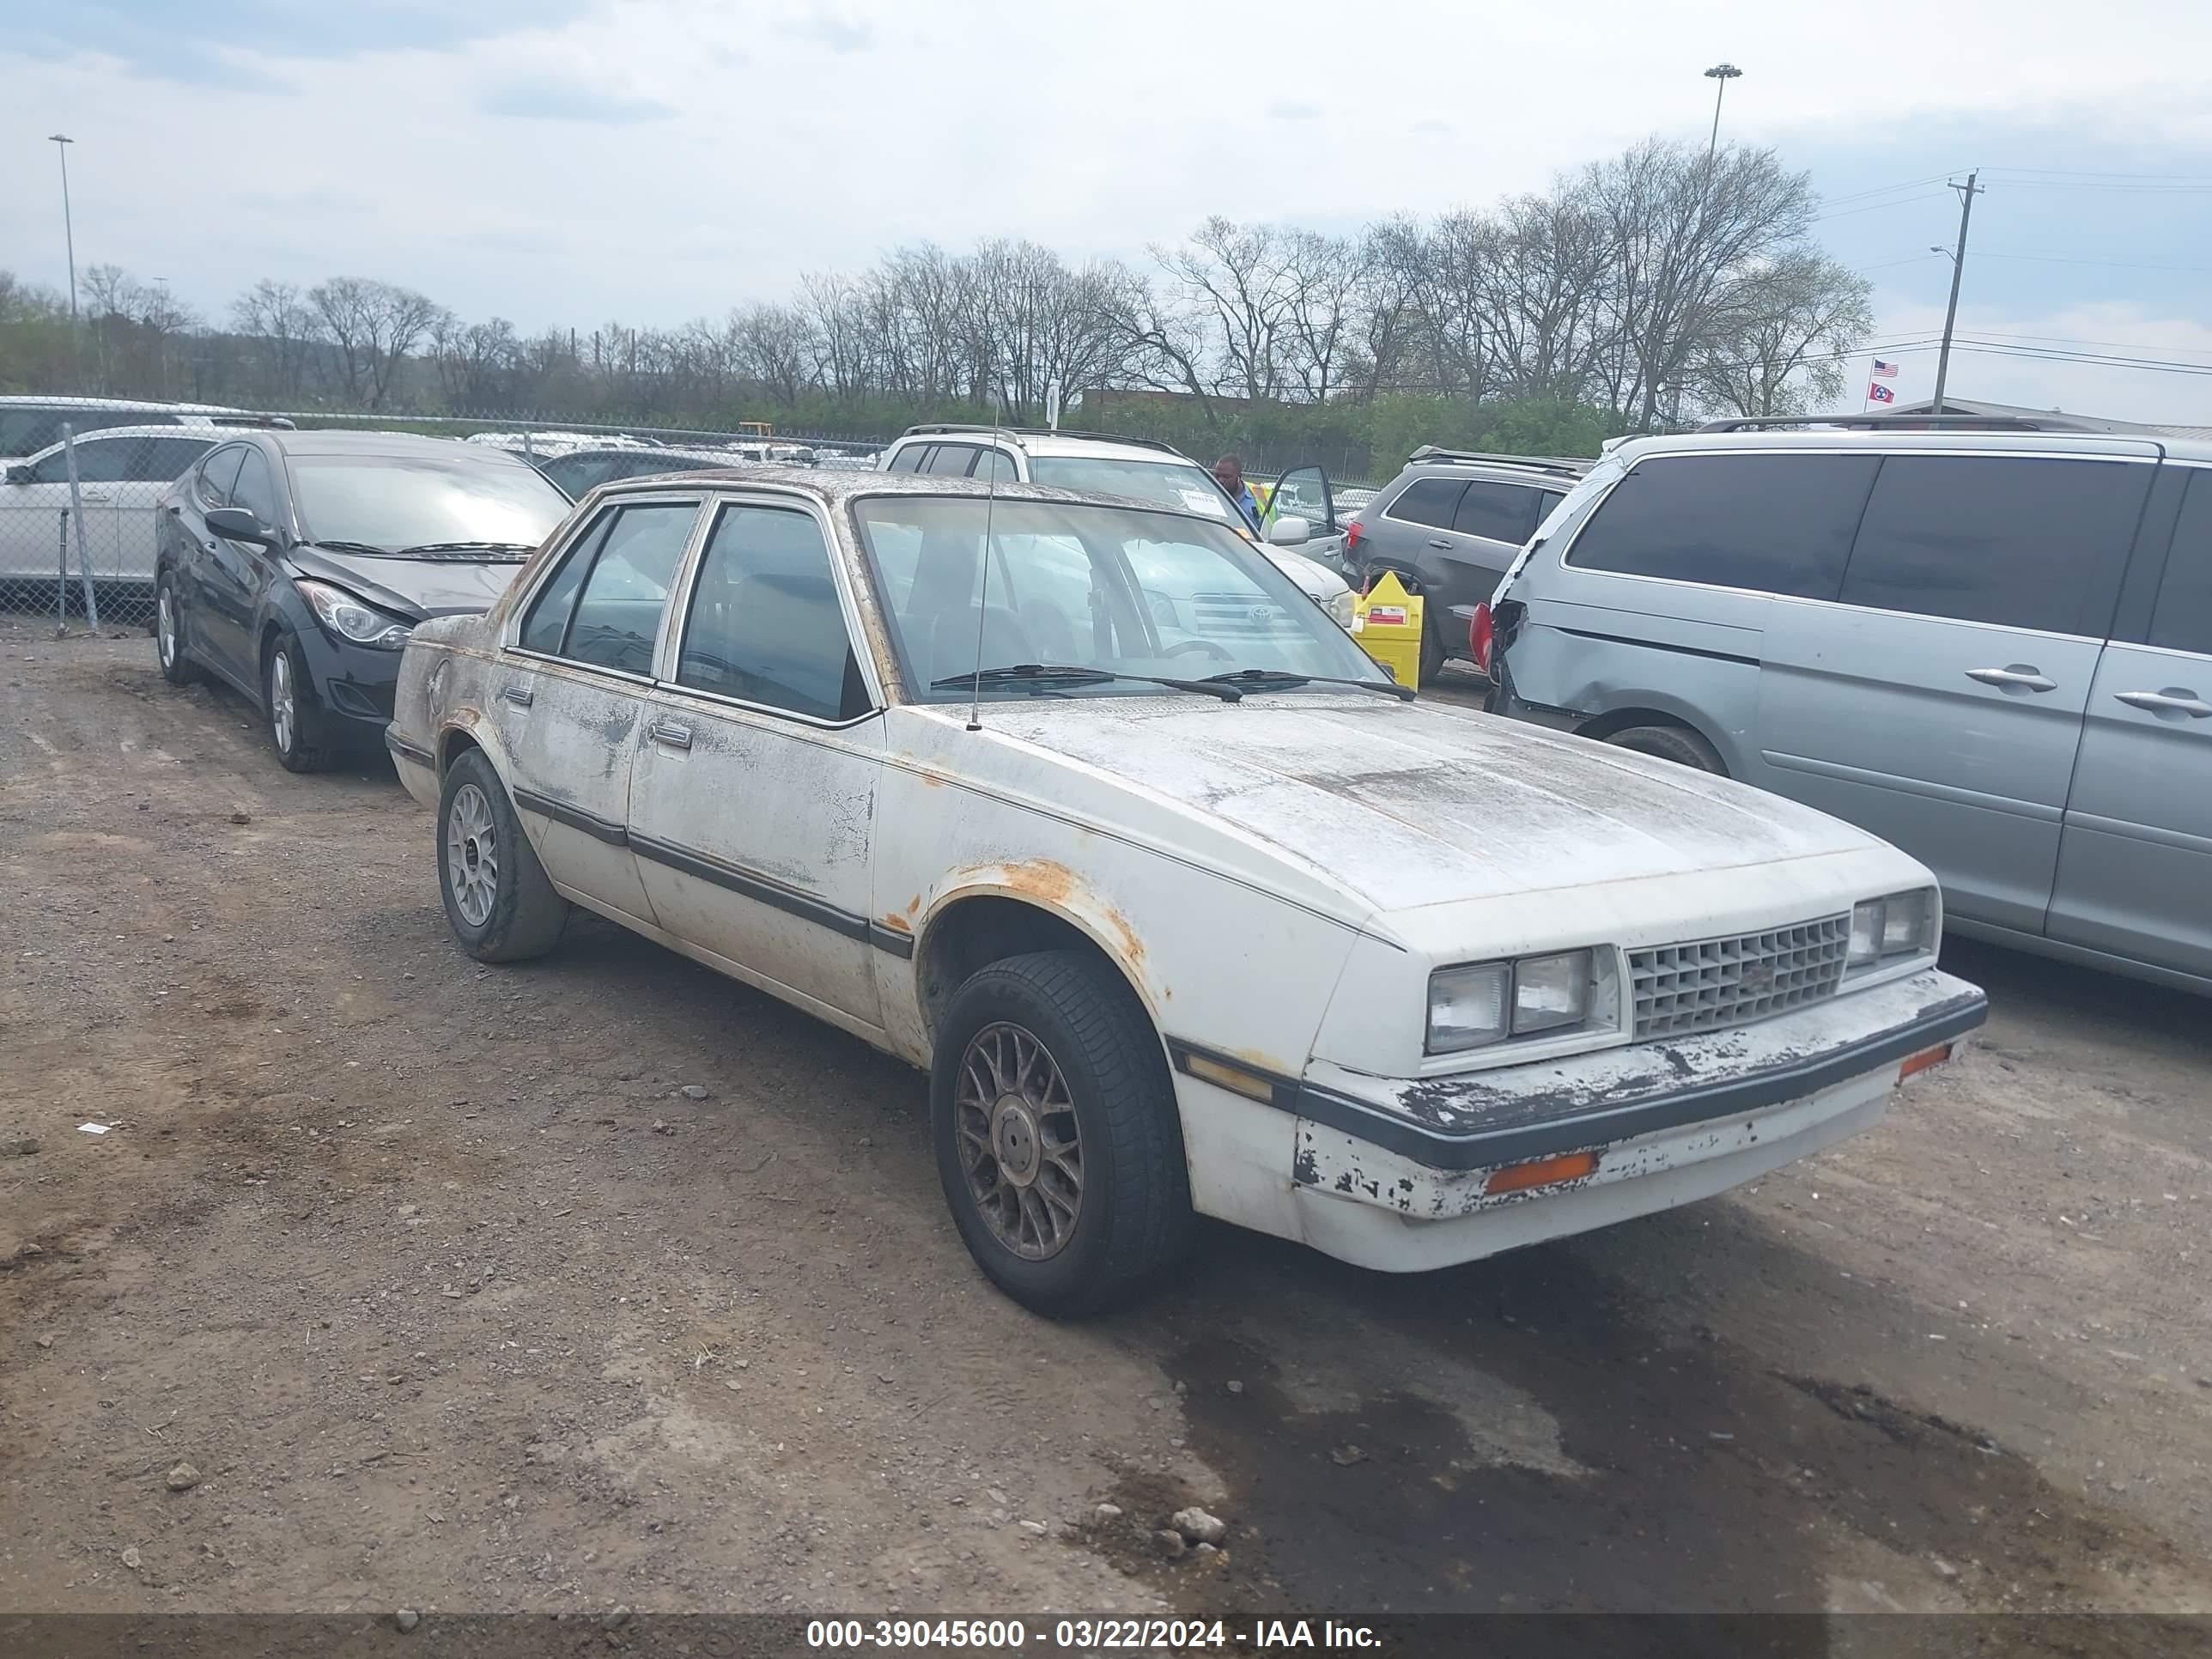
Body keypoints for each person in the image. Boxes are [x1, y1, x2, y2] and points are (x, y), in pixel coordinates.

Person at [1212, 455, 1261, 534]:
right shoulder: (1210, 497)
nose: (1220, 480)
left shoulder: (1259, 496)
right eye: (1217, 476)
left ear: (1239, 477)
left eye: (1226, 476)